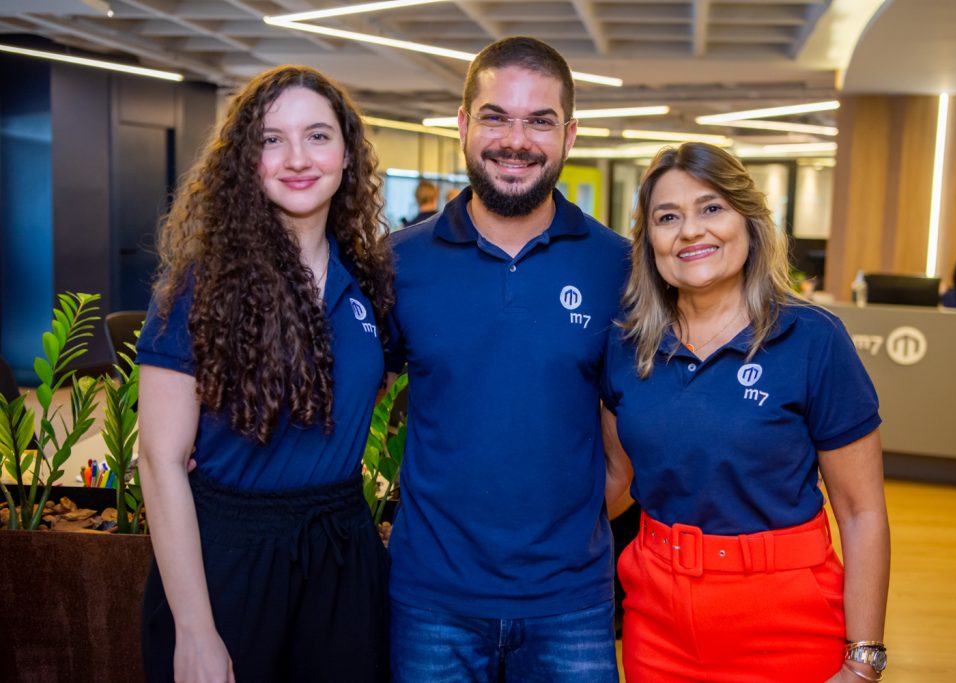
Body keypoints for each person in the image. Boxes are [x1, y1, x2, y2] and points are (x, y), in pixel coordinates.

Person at [135, 65, 393, 683]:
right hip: (230, 559)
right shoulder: (200, 288)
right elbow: (160, 460)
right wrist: (195, 629)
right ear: (246, 160)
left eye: (318, 136)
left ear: (348, 154)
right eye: (272, 140)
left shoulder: (370, 283)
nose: (297, 158)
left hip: (343, 554)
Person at [385, 36, 630, 682]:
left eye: (539, 121)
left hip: (571, 602)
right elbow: (348, 401)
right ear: (462, 125)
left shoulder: (618, 266)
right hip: (430, 599)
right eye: (495, 117)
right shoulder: (399, 262)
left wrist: (564, 534)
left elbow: (627, 441)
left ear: (569, 135)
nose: (515, 140)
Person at [603, 142, 890, 683]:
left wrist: (864, 658)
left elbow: (860, 512)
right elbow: (616, 479)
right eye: (668, 217)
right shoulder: (626, 346)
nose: (691, 231)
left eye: (711, 208)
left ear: (749, 221)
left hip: (787, 619)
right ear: (649, 242)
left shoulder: (813, 339)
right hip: (656, 620)